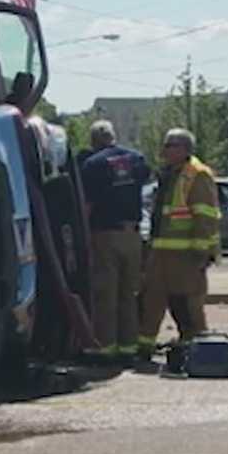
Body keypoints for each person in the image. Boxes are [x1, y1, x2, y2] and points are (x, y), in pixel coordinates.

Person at [137, 128, 221, 365]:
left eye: (169, 146)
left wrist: (201, 252)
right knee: (151, 301)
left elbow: (206, 216)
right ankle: (144, 349)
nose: (163, 151)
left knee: (188, 305)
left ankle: (200, 352)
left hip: (186, 255)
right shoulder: (170, 174)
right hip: (161, 254)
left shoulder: (198, 175)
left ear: (183, 149)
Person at [80, 120, 151, 367]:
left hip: (105, 234)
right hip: (133, 234)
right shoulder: (137, 159)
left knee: (105, 294)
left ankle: (105, 349)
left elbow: (88, 205)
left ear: (93, 141)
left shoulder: (93, 165)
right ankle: (128, 347)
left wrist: (84, 234)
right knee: (129, 294)